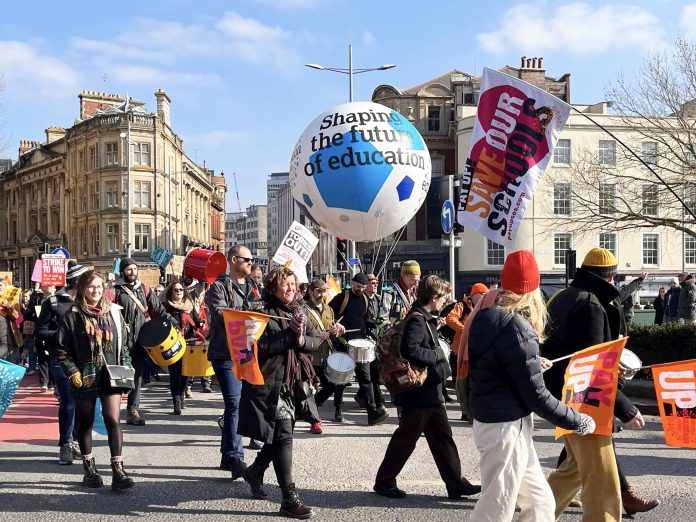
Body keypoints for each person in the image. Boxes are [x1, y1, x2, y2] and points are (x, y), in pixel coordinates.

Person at [467, 251, 594, 521]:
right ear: (532, 289)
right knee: (495, 509)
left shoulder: (486, 315)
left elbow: (498, 365)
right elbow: (537, 395)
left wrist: (533, 362)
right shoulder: (517, 327)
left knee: (540, 504)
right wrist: (577, 419)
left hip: (501, 424)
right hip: (506, 428)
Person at [543, 248, 659, 518]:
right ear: (610, 276)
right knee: (603, 477)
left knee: (573, 469)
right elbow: (594, 365)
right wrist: (626, 409)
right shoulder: (592, 304)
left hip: (563, 393)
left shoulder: (564, 297)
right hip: (586, 399)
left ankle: (537, 513)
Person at [374, 275, 480, 500]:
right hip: (419, 393)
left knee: (443, 439)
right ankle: (384, 481)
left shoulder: (424, 317)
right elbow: (410, 349)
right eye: (443, 297)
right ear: (434, 297)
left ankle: (455, 483)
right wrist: (436, 355)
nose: (445, 301)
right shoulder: (417, 319)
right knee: (406, 439)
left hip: (429, 392)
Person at [239, 266, 320, 519]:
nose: (291, 288)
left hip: (294, 382)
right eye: (286, 284)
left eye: (294, 284)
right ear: (273, 286)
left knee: (278, 436)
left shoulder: (300, 309)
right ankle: (288, 499)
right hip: (269, 382)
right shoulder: (261, 311)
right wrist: (289, 333)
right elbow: (257, 348)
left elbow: (315, 341)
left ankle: (255, 471)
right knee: (284, 436)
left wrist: (300, 339)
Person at [56, 269, 134, 491]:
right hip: (85, 375)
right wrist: (72, 371)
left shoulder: (115, 312)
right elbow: (61, 350)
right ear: (81, 288)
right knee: (86, 421)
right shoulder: (71, 315)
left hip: (111, 373)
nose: (96, 290)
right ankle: (89, 469)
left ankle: (118, 471)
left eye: (99, 286)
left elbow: (124, 346)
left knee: (113, 419)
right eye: (91, 286)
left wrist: (128, 365)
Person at [206, 244, 259, 478]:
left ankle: (227, 456)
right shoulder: (219, 286)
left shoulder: (253, 287)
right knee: (235, 403)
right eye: (247, 259)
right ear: (234, 260)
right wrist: (249, 317)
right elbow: (219, 315)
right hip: (225, 354)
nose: (251, 263)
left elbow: (262, 310)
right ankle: (236, 456)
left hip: (247, 353)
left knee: (239, 404)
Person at [35, 262, 89, 464]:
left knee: (83, 401)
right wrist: (62, 335)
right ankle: (65, 445)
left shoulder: (91, 301)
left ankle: (75, 440)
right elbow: (40, 331)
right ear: (77, 282)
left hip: (86, 359)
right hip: (61, 358)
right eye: (88, 281)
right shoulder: (54, 302)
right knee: (69, 398)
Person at [114, 258, 173, 426]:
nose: (132, 272)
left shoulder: (145, 289)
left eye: (134, 268)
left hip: (140, 341)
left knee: (137, 377)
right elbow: (107, 310)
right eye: (128, 269)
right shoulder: (116, 290)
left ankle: (132, 411)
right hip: (121, 342)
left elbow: (158, 311)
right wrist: (118, 321)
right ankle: (112, 411)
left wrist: (172, 323)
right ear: (123, 271)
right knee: (118, 377)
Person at [329, 272, 389, 426]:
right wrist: (336, 324)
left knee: (366, 379)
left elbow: (365, 320)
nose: (360, 290)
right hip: (343, 343)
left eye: (363, 287)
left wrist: (378, 324)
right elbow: (328, 315)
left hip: (360, 344)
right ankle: (338, 408)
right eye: (358, 286)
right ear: (352, 283)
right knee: (342, 379)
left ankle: (372, 412)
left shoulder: (364, 299)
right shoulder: (342, 297)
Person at [303, 278, 346, 433]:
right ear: (310, 291)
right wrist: (315, 334)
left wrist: (336, 330)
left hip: (326, 355)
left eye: (324, 291)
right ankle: (315, 421)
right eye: (319, 291)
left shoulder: (329, 310)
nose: (322, 294)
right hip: (309, 356)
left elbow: (332, 328)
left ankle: (313, 408)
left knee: (331, 385)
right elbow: (299, 332)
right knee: (310, 389)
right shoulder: (303, 309)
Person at [161, 279, 204, 415]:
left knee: (185, 373)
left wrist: (201, 323)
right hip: (173, 344)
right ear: (171, 292)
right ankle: (176, 401)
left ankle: (181, 394)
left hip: (188, 342)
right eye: (176, 290)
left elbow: (196, 320)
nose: (179, 292)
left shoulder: (189, 305)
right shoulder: (166, 306)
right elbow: (163, 321)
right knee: (175, 374)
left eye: (181, 290)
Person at [448, 283, 487, 422]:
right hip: (459, 352)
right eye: (481, 295)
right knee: (461, 384)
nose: (483, 297)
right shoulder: (462, 306)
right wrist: (465, 330)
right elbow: (450, 319)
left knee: (470, 383)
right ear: (474, 295)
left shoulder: (483, 308)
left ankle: (469, 411)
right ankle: (465, 410)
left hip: (472, 352)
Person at [355, 273, 387, 411]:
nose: (375, 285)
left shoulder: (379, 300)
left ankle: (365, 397)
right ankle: (375, 402)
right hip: (363, 341)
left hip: (376, 339)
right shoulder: (360, 299)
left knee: (374, 372)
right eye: (372, 283)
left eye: (376, 283)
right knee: (368, 373)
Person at [19, 289, 37, 374]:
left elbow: (32, 316)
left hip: (30, 331)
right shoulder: (20, 305)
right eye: (23, 296)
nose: (24, 298)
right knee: (22, 349)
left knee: (31, 349)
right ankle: (22, 365)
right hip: (21, 331)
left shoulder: (31, 305)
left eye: (26, 296)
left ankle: (32, 368)